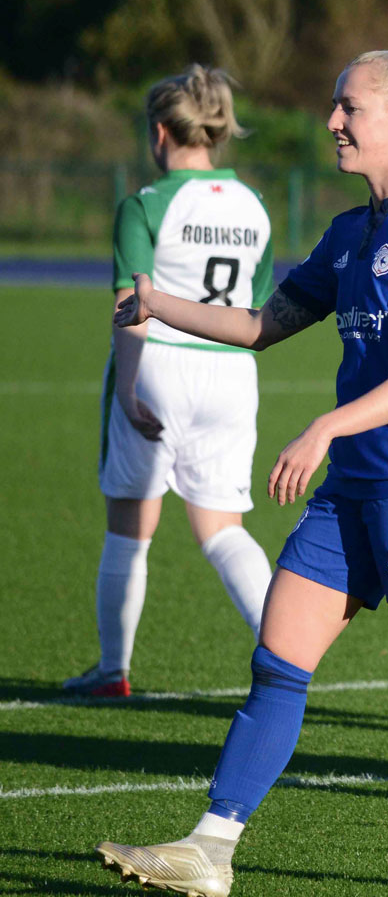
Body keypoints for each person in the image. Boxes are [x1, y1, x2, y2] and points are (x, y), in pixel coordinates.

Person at [95, 36, 388, 897]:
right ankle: (212, 848)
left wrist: (322, 430)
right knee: (279, 657)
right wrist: (158, 304)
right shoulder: (352, 233)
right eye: (336, 105)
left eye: (350, 107)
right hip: (356, 489)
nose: (332, 120)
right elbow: (264, 324)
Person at [67, 66, 277, 699]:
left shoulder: (146, 204)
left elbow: (131, 307)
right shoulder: (254, 206)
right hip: (232, 374)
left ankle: (112, 673)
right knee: (224, 531)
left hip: (159, 363)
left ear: (160, 132)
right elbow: (256, 308)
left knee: (130, 528)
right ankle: (287, 659)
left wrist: (128, 392)